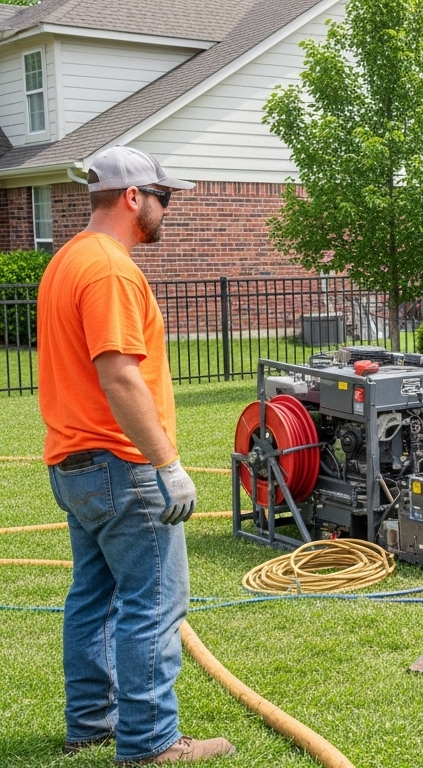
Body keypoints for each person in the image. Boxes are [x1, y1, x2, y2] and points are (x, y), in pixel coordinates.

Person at [37, 147, 236, 763]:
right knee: (153, 605)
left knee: (93, 598)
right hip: (122, 467)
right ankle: (150, 742)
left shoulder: (67, 260)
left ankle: (92, 721)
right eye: (163, 197)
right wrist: (167, 465)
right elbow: (119, 375)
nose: (165, 209)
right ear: (133, 197)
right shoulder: (110, 270)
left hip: (73, 466)